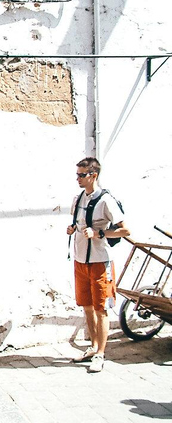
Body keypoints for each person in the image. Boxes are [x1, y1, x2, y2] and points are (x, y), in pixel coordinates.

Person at [66, 157, 129, 373]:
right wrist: (72, 229)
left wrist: (100, 232)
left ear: (94, 175)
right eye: (77, 175)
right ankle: (93, 347)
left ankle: (101, 354)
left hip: (100, 260)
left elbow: (125, 230)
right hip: (80, 259)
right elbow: (78, 223)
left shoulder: (106, 200)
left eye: (82, 175)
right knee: (87, 306)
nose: (78, 179)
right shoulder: (78, 199)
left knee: (101, 308)